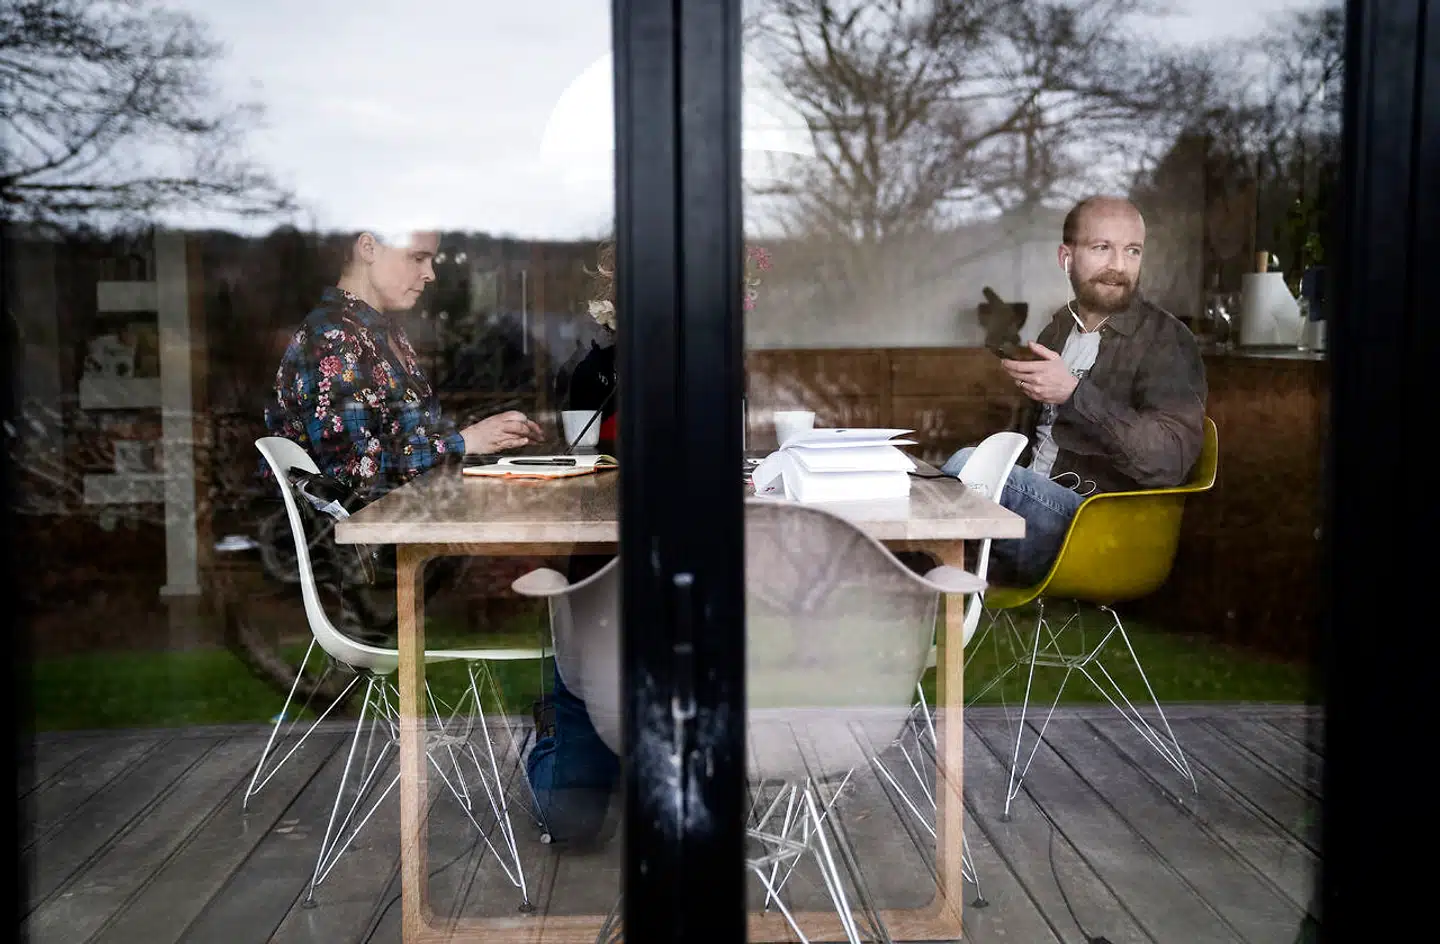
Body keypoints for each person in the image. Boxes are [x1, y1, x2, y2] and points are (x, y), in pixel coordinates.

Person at [940, 196, 1207, 587]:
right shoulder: (1058, 330)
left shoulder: (1167, 341)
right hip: (1035, 507)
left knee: (966, 468)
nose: (1118, 265)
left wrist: (1074, 394)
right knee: (921, 481)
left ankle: (920, 597)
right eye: (1102, 248)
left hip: (1096, 525)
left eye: (1131, 251)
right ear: (1066, 257)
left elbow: (1169, 461)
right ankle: (925, 606)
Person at [264, 229, 543, 499]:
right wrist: (465, 441)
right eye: (417, 257)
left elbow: (411, 434)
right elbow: (353, 473)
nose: (430, 274)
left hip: (406, 523)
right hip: (356, 541)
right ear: (368, 248)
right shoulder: (332, 337)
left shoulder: (384, 331)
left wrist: (491, 431)